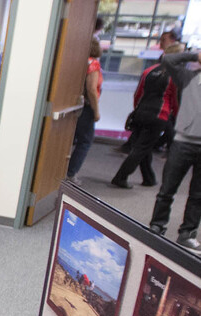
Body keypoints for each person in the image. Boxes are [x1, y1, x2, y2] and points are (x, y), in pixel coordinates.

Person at [148, 48, 201, 251]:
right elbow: (168, 59)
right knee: (167, 189)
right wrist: (194, 55)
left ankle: (187, 233)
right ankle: (157, 226)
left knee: (198, 194)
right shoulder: (187, 77)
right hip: (183, 142)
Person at [111, 43, 181, 189]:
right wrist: (176, 115)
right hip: (159, 115)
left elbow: (138, 94)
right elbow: (175, 100)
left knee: (144, 146)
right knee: (142, 148)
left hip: (141, 112)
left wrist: (137, 109)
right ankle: (120, 177)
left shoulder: (148, 71)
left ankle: (149, 178)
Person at [65, 39, 103, 184]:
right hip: (85, 107)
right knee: (85, 141)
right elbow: (92, 89)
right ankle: (71, 172)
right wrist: (96, 111)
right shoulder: (93, 64)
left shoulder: (77, 61)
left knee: (70, 139)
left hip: (73, 104)